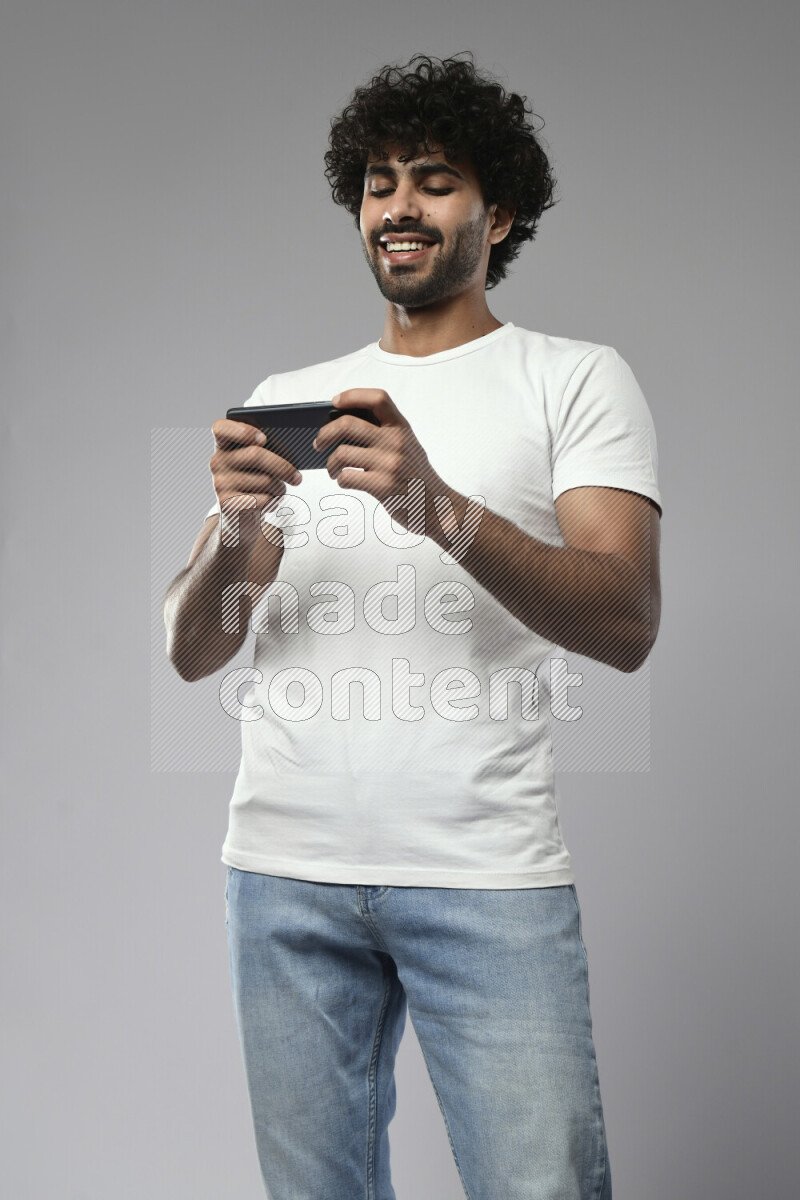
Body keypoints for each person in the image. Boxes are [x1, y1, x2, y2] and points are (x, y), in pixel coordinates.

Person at [163, 52, 661, 1200]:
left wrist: (430, 507)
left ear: (503, 212)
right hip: (282, 878)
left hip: (481, 875)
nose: (399, 205)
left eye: (435, 179)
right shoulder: (294, 390)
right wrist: (239, 531)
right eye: (379, 181)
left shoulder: (571, 379)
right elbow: (197, 649)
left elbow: (625, 618)